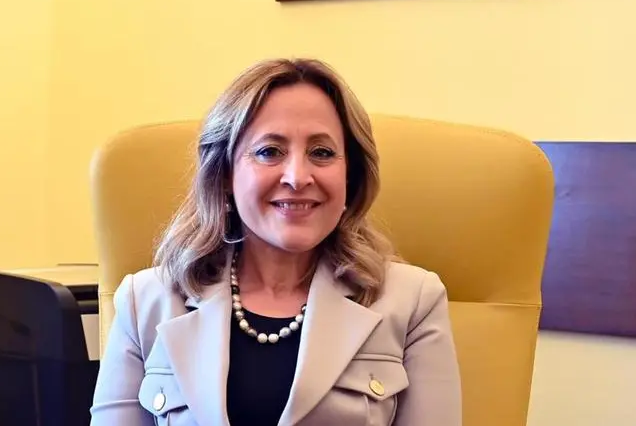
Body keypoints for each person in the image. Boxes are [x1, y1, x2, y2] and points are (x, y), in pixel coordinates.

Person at [89, 58, 462, 426]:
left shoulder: (413, 301)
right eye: (269, 151)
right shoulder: (145, 302)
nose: (298, 177)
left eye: (322, 152)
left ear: (350, 175)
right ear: (225, 173)